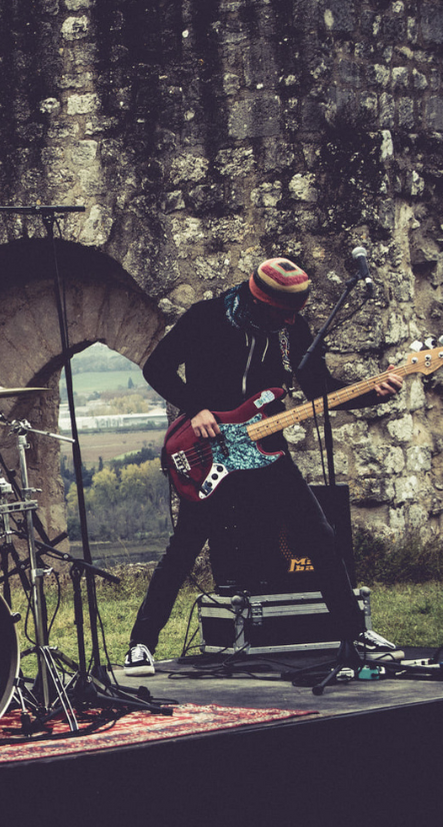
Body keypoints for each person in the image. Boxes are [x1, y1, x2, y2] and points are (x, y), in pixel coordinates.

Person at [122, 257, 402, 676]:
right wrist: (196, 408)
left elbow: (319, 389)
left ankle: (354, 632)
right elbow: (156, 367)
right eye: (282, 312)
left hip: (267, 448)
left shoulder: (294, 330)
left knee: (319, 534)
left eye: (295, 313)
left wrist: (371, 394)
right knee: (185, 547)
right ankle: (141, 643)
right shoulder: (207, 317)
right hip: (209, 449)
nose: (290, 319)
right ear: (258, 300)